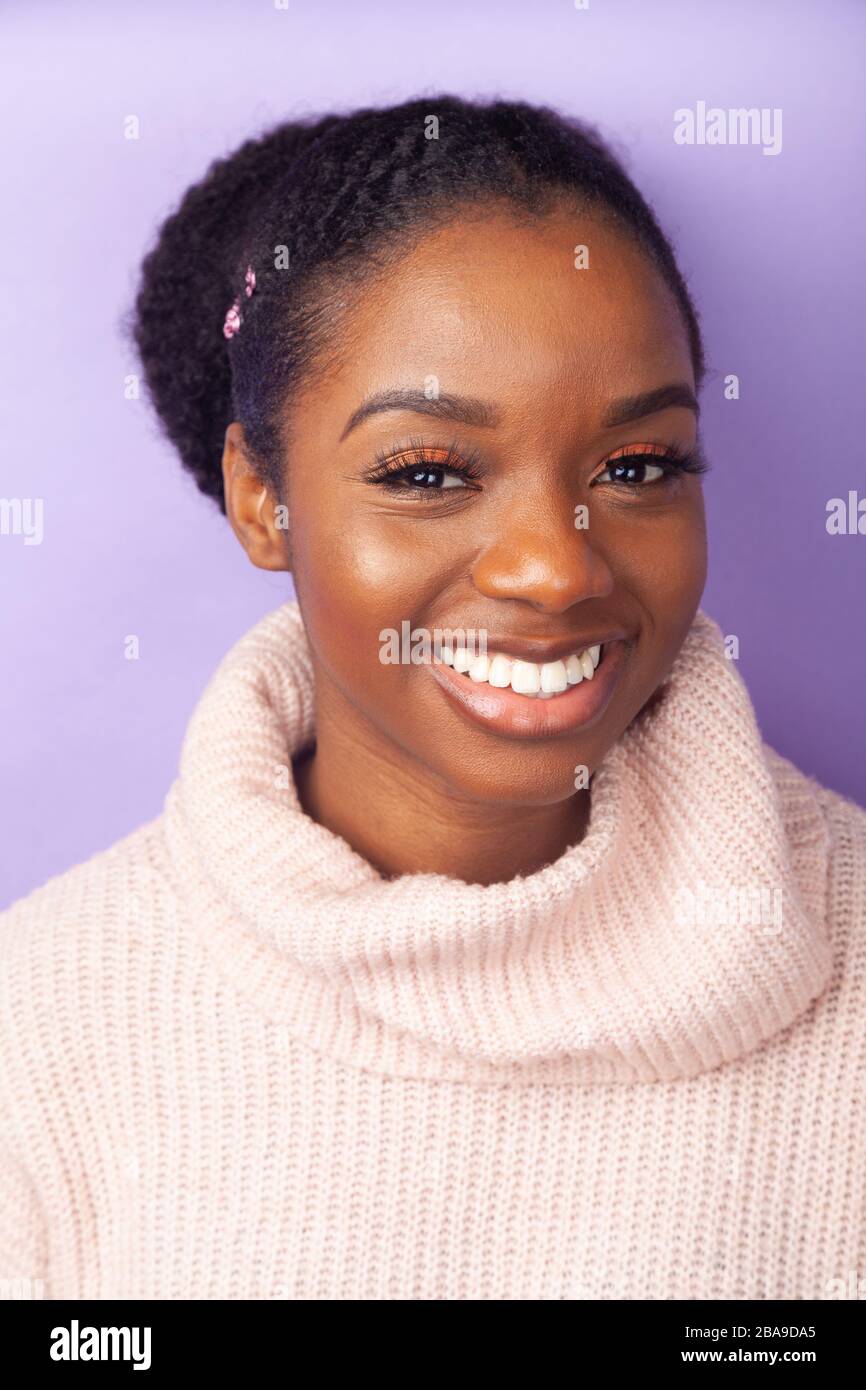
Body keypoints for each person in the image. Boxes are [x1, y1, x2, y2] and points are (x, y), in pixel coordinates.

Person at [1, 95, 864, 1301]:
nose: (554, 567)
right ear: (262, 498)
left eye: (637, 466)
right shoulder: (35, 1027)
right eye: (427, 473)